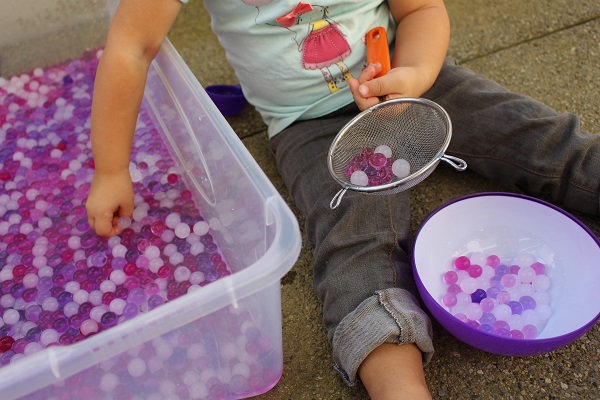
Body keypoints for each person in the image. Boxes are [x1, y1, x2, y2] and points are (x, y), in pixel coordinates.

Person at [85, 0, 600, 398]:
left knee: (536, 136)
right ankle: (398, 383)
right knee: (354, 244)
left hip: (416, 83)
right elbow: (132, 46)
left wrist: (413, 75)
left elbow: (420, 9)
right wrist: (110, 168)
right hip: (309, 126)